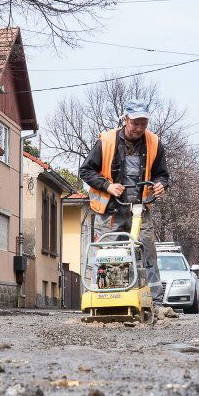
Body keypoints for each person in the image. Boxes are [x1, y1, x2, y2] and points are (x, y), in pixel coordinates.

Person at [77, 100, 172, 303]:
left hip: (140, 210)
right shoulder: (107, 141)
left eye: (143, 124)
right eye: (135, 123)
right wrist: (107, 186)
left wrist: (160, 184)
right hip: (110, 211)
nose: (139, 128)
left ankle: (154, 302)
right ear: (125, 119)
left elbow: (162, 174)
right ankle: (101, 298)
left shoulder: (154, 142)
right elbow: (85, 171)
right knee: (107, 254)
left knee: (147, 253)